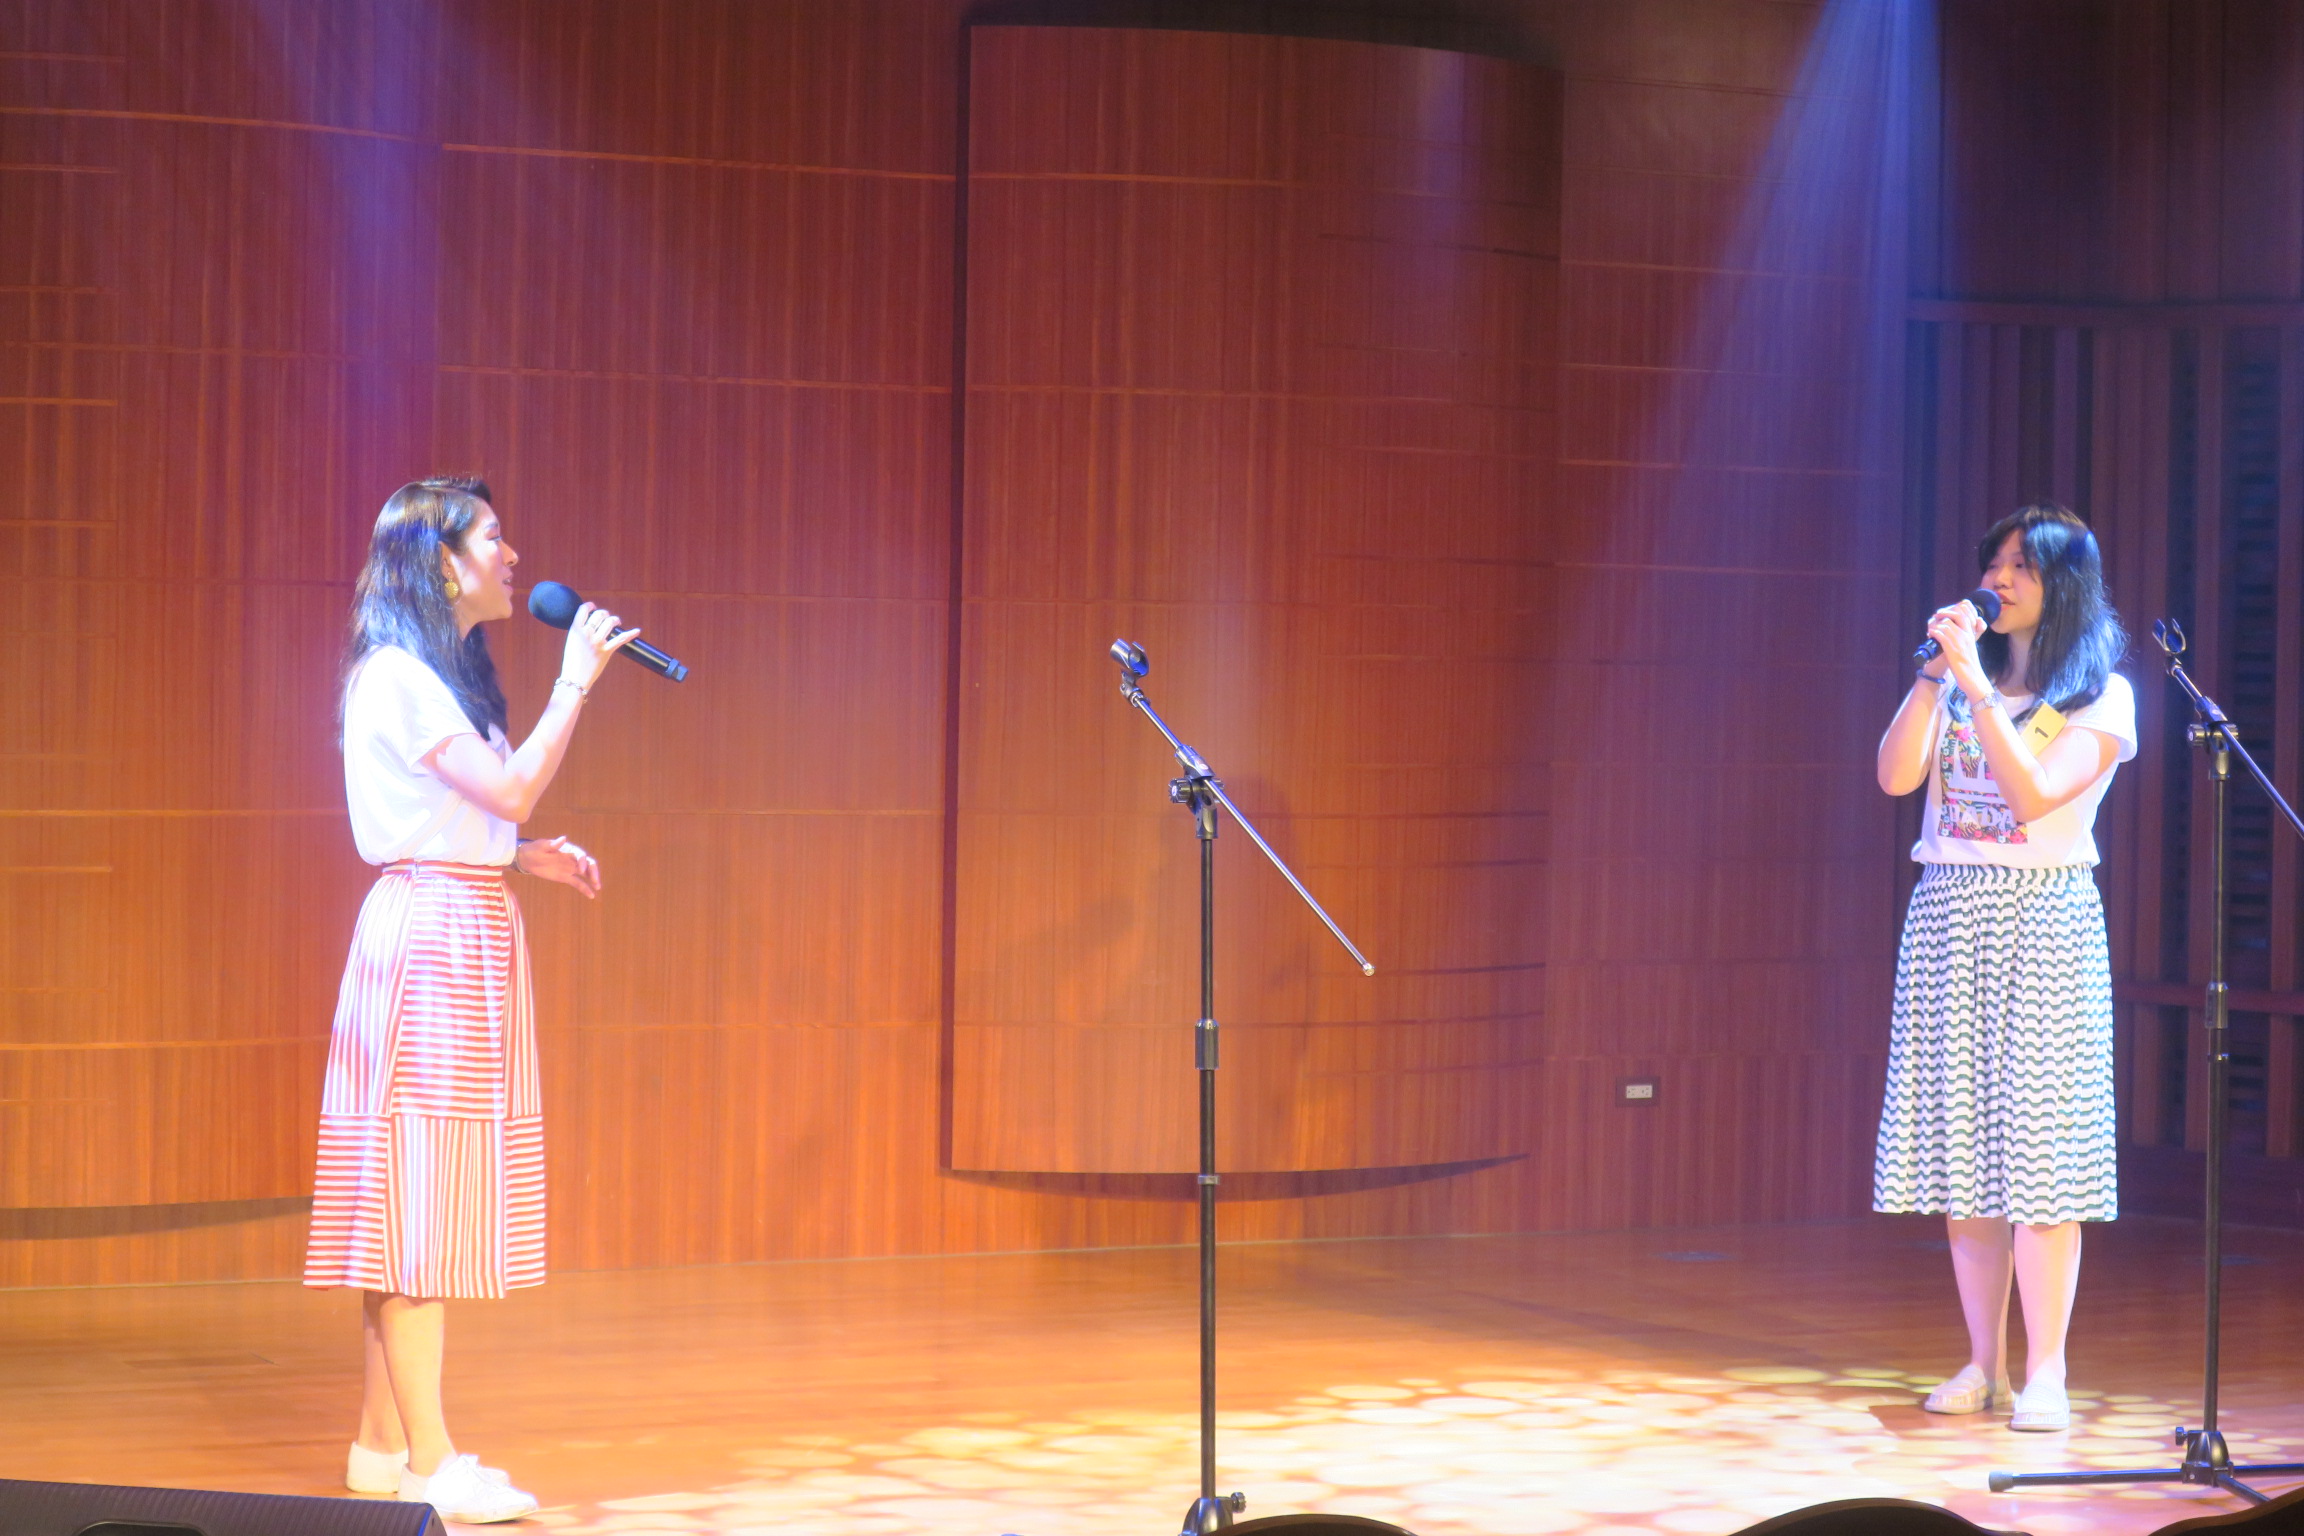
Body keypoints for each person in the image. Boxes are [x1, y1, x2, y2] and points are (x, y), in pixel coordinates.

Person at [302, 477, 636, 1522]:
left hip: (463, 923)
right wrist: (574, 682)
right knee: (419, 1201)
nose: (512, 553)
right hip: (430, 943)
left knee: (417, 1195)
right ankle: (431, 1464)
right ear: (440, 562)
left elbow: (475, 815)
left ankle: (380, 1444)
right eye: (493, 537)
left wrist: (522, 855)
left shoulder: (435, 676)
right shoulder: (398, 675)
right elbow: (509, 789)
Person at [1871, 502, 2135, 1435]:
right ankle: (1982, 1362)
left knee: (2043, 1160)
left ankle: (2046, 1372)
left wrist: (1979, 691)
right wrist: (1932, 677)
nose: (2001, 579)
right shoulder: (1955, 683)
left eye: (2023, 565)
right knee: (1966, 1155)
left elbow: (2031, 795)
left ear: (2065, 584)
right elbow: (1895, 777)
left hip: (2045, 922)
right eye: (1995, 563)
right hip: (1949, 914)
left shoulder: (2100, 695)